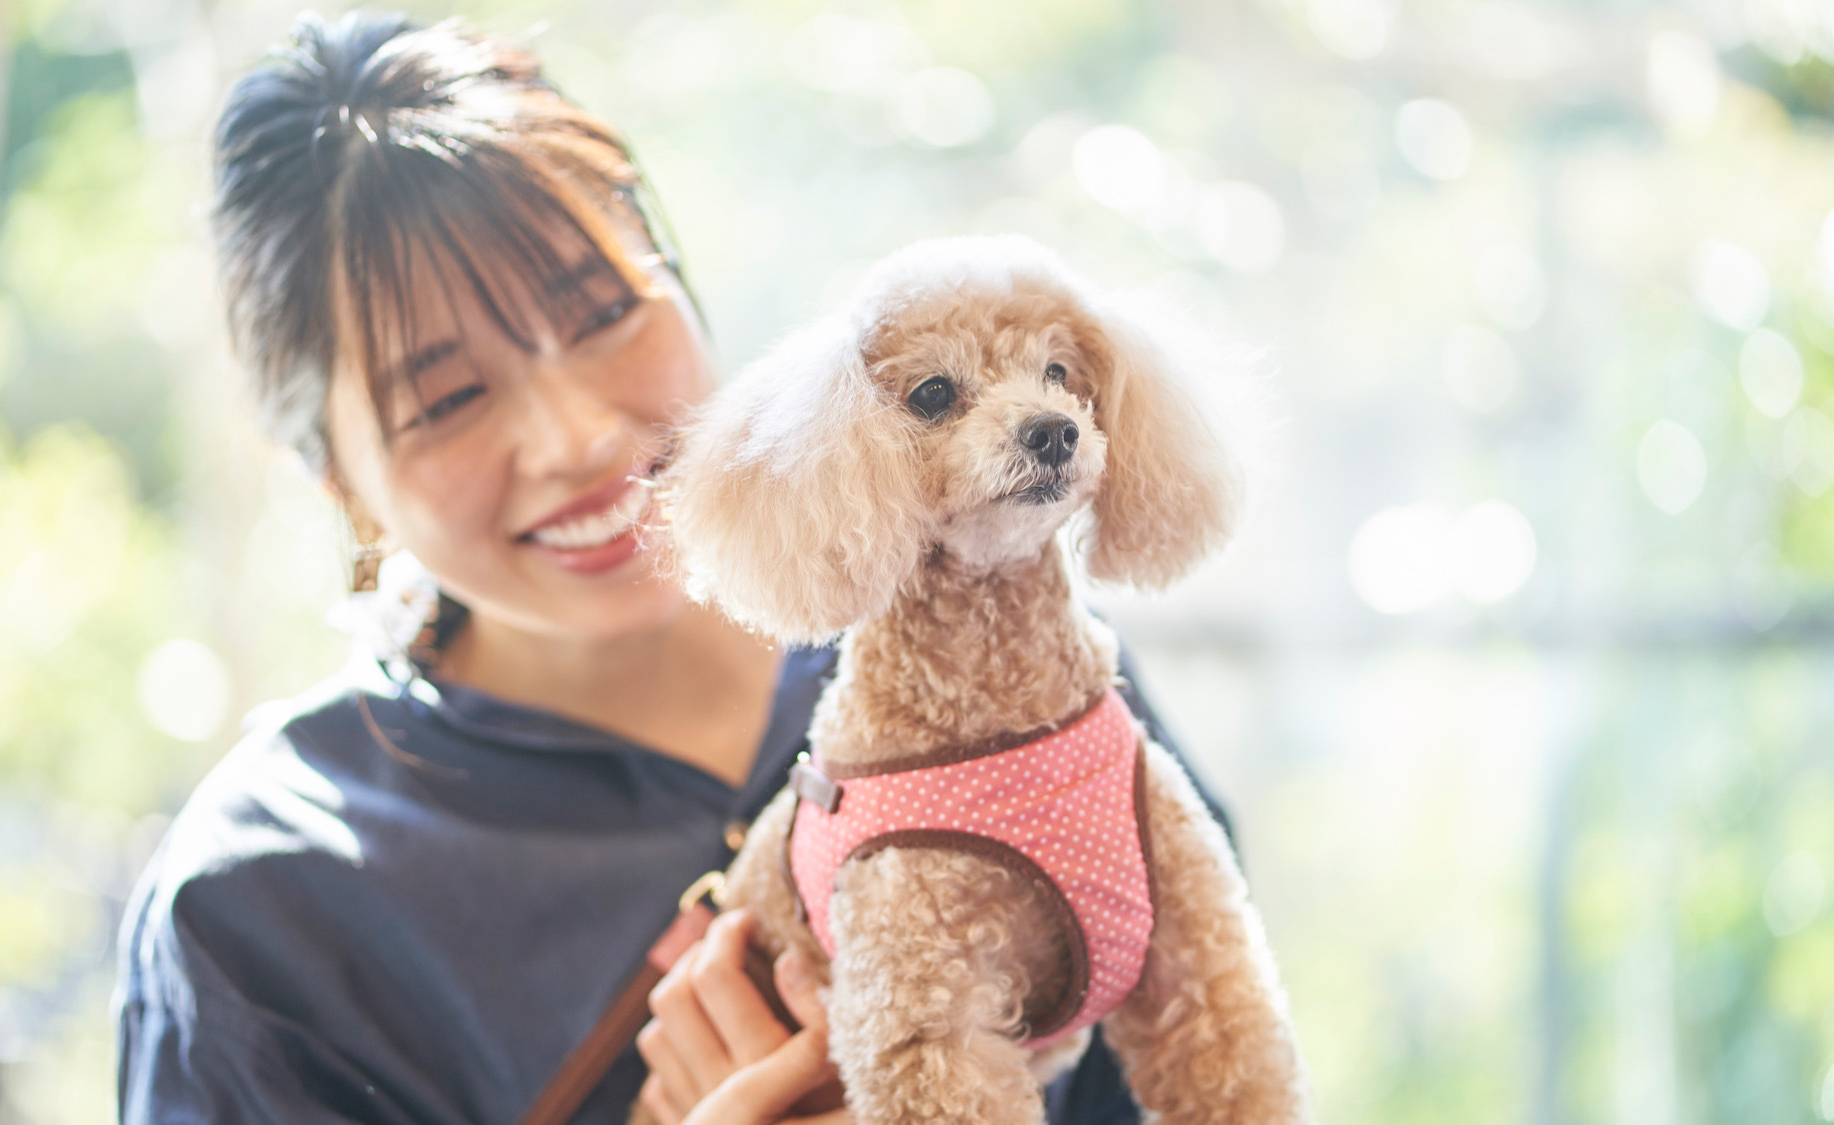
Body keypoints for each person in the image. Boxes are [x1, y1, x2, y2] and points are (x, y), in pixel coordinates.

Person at [115, 12, 1228, 1124]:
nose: (577, 440)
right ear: (342, 482)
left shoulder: (1025, 678)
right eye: (448, 397)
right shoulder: (261, 914)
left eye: (602, 312)